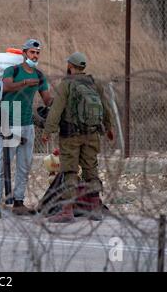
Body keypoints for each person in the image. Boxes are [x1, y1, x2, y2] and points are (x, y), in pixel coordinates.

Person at [42, 52, 115, 223]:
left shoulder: (66, 84)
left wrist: (47, 131)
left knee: (69, 171)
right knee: (91, 169)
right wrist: (109, 128)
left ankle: (67, 211)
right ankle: (96, 208)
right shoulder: (94, 83)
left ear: (70, 66)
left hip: (71, 136)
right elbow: (105, 107)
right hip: (92, 134)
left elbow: (56, 110)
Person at [0, 39, 53, 219]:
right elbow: (8, 86)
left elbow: (47, 99)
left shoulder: (39, 76)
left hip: (27, 123)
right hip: (10, 120)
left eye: (37, 53)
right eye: (32, 52)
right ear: (24, 53)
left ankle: (18, 202)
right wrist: (26, 82)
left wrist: (61, 101)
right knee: (3, 164)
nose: (35, 56)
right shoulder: (13, 71)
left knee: (24, 166)